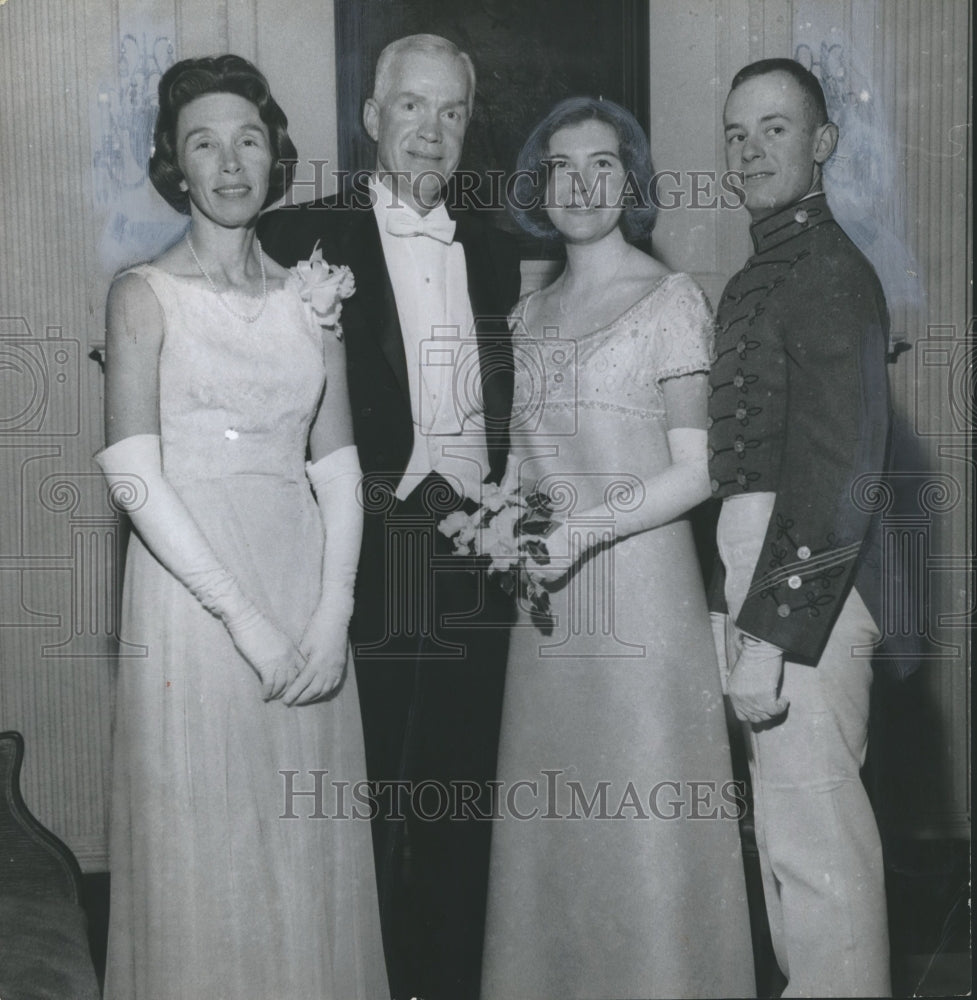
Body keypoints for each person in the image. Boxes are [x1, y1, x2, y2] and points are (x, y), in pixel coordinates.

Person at [95, 55, 388, 999]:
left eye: (248, 140)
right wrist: (246, 624)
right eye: (203, 145)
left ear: (275, 155)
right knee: (210, 846)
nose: (229, 164)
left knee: (301, 850)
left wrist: (329, 616)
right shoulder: (141, 294)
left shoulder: (315, 295)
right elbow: (136, 476)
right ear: (174, 167)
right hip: (193, 600)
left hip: (304, 587)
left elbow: (340, 469)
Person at [259, 34, 521, 1000]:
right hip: (355, 554)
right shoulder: (296, 237)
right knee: (358, 796)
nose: (431, 131)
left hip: (471, 554)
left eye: (451, 113)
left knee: (459, 797)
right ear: (371, 119)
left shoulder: (491, 252)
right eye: (411, 107)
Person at [479, 97, 756, 1000]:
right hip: (550, 620)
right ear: (539, 186)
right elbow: (527, 459)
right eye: (562, 165)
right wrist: (505, 518)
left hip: (643, 606)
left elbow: (696, 471)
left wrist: (580, 535)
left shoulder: (670, 301)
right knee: (558, 827)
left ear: (631, 182)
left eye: (603, 164)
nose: (583, 183)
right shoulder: (528, 313)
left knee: (644, 824)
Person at [708, 58, 891, 997]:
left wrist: (769, 636)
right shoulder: (765, 269)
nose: (750, 149)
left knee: (820, 858)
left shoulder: (827, 270)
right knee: (789, 849)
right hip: (764, 574)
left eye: (775, 128)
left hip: (807, 589)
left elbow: (836, 473)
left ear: (822, 144)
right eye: (736, 133)